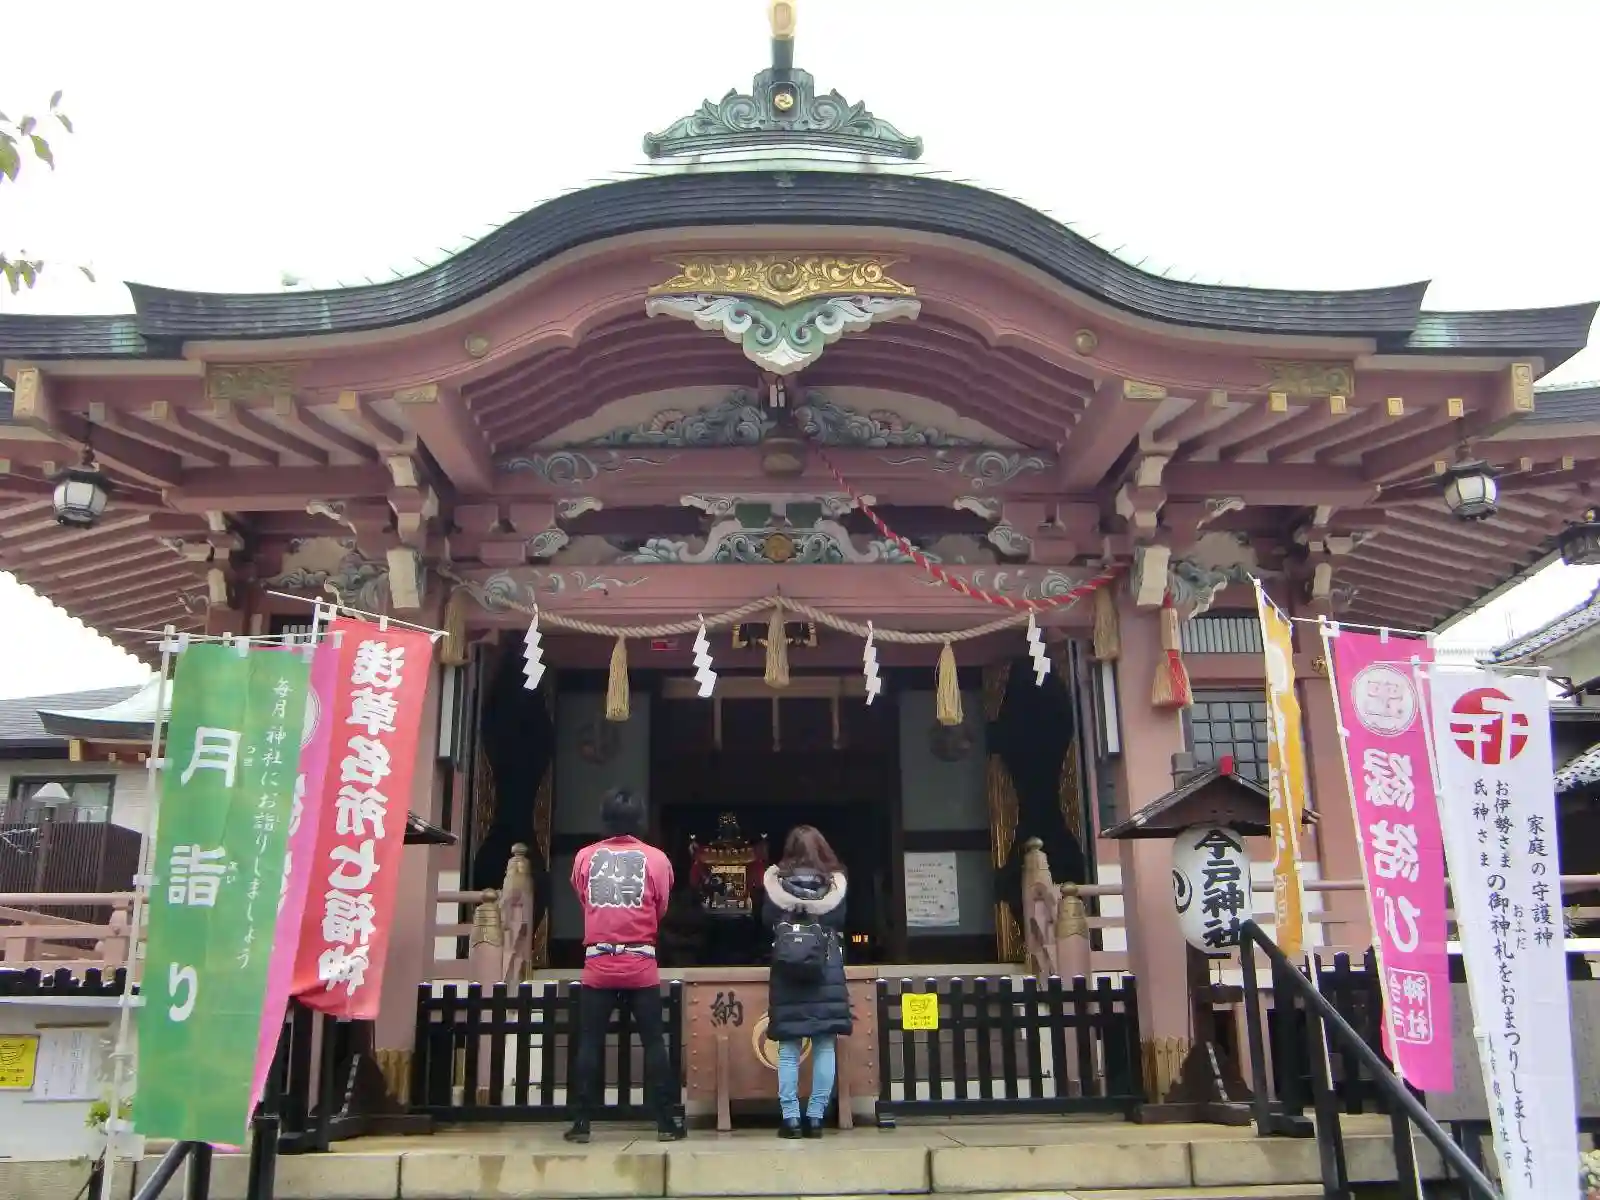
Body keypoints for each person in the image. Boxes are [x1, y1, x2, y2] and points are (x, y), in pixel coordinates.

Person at [566, 787, 684, 1143]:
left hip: (598, 961)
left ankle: (581, 1122)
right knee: (654, 1042)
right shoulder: (657, 859)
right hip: (640, 962)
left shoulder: (585, 857)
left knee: (589, 1042)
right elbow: (661, 906)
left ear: (605, 819)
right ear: (640, 820)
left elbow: (583, 898)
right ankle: (665, 1122)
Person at [761, 825, 852, 1139]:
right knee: (825, 1044)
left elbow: (766, 920)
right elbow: (839, 921)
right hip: (826, 970)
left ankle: (791, 1120)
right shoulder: (835, 884)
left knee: (788, 1047)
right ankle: (815, 1118)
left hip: (788, 970)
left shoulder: (776, 883)